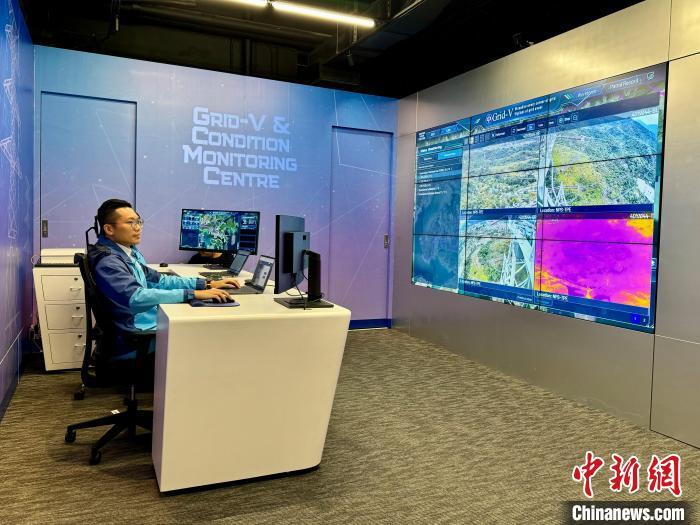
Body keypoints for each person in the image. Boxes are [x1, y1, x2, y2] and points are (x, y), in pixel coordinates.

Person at [89, 199, 240, 359]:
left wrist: (206, 284)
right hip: (134, 335)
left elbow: (159, 280)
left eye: (139, 221)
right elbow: (136, 297)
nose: (138, 227)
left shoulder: (126, 253)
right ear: (109, 229)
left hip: (139, 323)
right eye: (130, 222)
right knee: (202, 330)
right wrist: (192, 294)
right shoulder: (109, 261)